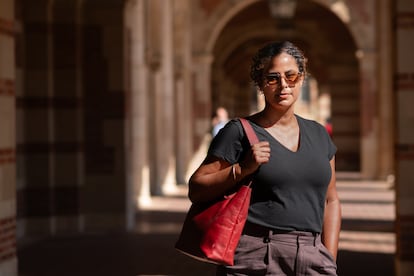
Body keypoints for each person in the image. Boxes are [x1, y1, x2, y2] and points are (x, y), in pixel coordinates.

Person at [188, 41, 341, 275]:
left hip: (313, 257)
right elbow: (196, 188)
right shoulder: (239, 131)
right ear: (260, 84)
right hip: (255, 256)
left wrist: (328, 257)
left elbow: (331, 201)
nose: (283, 86)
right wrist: (242, 169)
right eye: (272, 78)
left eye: (291, 76)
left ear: (301, 78)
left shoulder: (319, 134)